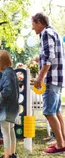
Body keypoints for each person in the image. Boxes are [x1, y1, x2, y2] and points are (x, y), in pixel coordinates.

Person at [32, 12, 65, 154]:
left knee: (48, 112)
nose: (32, 28)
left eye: (33, 24)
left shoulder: (46, 33)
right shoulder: (54, 33)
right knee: (56, 112)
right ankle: (62, 141)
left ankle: (60, 145)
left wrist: (39, 77)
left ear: (40, 22)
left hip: (51, 79)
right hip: (58, 79)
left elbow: (50, 57)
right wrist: (39, 58)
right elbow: (52, 55)